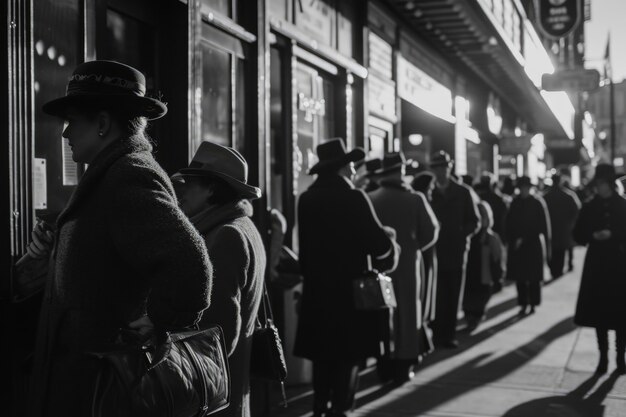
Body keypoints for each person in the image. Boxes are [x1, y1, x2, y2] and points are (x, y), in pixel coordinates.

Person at [28, 60, 213, 417]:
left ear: (101, 123)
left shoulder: (128, 175)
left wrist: (161, 320)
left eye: (72, 122)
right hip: (90, 377)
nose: (65, 134)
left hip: (102, 386)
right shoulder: (113, 173)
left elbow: (190, 264)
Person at [295, 138, 399, 417]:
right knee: (348, 354)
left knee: (322, 354)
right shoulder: (354, 198)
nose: (355, 170)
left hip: (317, 291)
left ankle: (319, 407)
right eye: (351, 164)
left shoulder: (307, 199)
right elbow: (378, 245)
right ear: (342, 168)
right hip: (350, 292)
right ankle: (341, 408)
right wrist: (391, 240)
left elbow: (305, 250)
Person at [172, 141, 265, 417]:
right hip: (227, 390)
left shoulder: (226, 235)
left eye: (191, 183)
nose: (183, 190)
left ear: (212, 189)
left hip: (213, 396)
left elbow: (219, 331)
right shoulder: (241, 226)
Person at [369, 152, 439, 383]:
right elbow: (430, 232)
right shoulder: (415, 199)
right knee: (408, 315)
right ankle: (403, 365)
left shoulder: (370, 198)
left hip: (378, 266)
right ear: (400, 172)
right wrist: (412, 247)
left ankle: (383, 363)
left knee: (381, 315)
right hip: (408, 266)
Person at [573, 164, 626, 375]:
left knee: (621, 314)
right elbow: (578, 233)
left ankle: (620, 358)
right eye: (599, 183)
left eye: (603, 183)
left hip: (619, 263)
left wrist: (613, 235)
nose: (600, 187)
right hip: (597, 264)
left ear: (610, 184)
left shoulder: (622, 205)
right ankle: (603, 358)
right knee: (599, 314)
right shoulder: (589, 206)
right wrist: (592, 236)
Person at [429, 151, 481, 348]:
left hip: (456, 253)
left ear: (449, 168)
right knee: (436, 295)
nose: (441, 171)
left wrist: (461, 236)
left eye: (443, 167)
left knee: (452, 295)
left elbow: (474, 221)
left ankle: (449, 334)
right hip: (434, 252)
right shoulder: (429, 192)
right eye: (437, 167)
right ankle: (436, 334)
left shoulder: (463, 192)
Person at [505, 176, 551, 316]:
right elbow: (509, 223)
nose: (524, 190)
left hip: (532, 245)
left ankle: (533, 303)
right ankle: (523, 303)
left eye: (526, 187)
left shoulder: (537, 203)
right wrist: (512, 240)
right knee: (521, 278)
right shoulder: (515, 203)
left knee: (533, 278)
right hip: (518, 246)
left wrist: (547, 246)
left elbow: (543, 226)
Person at [463, 201, 505, 330]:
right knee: (469, 297)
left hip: (484, 276)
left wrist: (499, 275)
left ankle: (475, 318)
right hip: (471, 274)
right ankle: (470, 317)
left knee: (480, 299)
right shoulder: (470, 236)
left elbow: (498, 258)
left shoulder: (491, 238)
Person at [411, 171, 439, 342]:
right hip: (421, 255)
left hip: (424, 254)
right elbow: (430, 232)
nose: (432, 191)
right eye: (430, 188)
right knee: (422, 294)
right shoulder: (418, 201)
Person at [543, 173, 581, 279]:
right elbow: (577, 210)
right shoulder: (568, 195)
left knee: (553, 250)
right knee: (561, 250)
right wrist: (571, 223)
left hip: (551, 228)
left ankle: (554, 270)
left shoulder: (546, 196)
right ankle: (558, 270)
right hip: (564, 228)